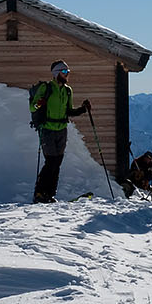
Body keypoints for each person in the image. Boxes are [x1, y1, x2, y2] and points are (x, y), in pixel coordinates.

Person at [30, 60, 90, 203]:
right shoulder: (46, 88)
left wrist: (83, 109)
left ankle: (50, 194)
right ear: (56, 73)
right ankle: (39, 193)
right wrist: (39, 104)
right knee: (51, 162)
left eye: (68, 72)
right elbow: (33, 107)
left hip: (62, 130)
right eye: (64, 72)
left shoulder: (68, 91)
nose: (67, 74)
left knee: (57, 162)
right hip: (47, 129)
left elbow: (69, 111)